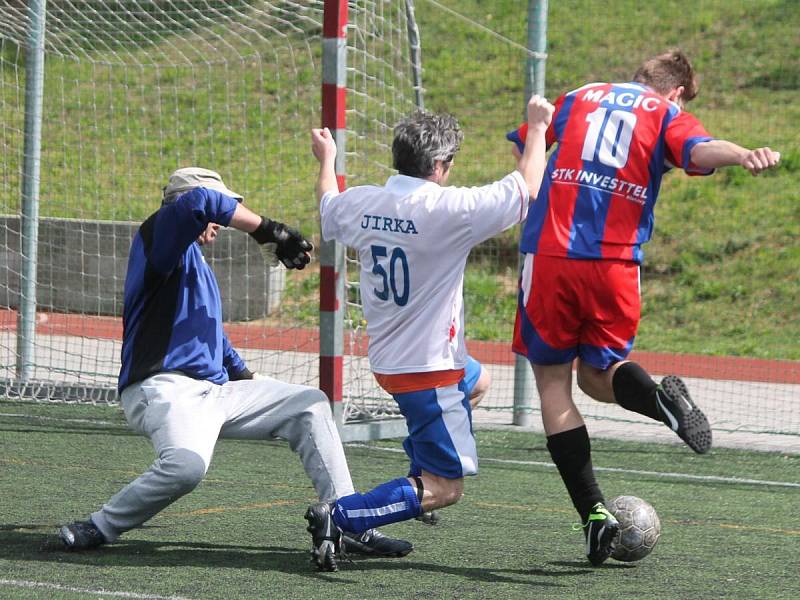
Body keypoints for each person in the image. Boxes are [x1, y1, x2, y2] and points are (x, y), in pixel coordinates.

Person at [506, 49, 781, 566]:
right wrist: (743, 153)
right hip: (614, 265)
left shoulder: (581, 96)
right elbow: (699, 150)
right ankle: (662, 405)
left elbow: (530, 145)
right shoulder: (665, 114)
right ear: (674, 91)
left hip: (550, 255)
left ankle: (593, 514)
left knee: (553, 384)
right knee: (598, 375)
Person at [58, 167, 412, 559]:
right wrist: (268, 230)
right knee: (186, 467)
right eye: (225, 208)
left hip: (216, 391)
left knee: (310, 404)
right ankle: (101, 525)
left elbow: (214, 340)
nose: (223, 221)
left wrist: (248, 378)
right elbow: (201, 202)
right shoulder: (158, 235)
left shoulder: (196, 263)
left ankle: (348, 521)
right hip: (164, 388)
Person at [305, 95, 554, 571]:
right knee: (447, 489)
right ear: (439, 165)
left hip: (394, 361)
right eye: (452, 161)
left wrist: (328, 160)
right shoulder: (449, 210)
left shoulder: (362, 201)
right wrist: (539, 126)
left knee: (478, 382)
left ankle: (413, 481)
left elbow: (326, 205)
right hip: (427, 371)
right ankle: (342, 516)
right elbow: (527, 187)